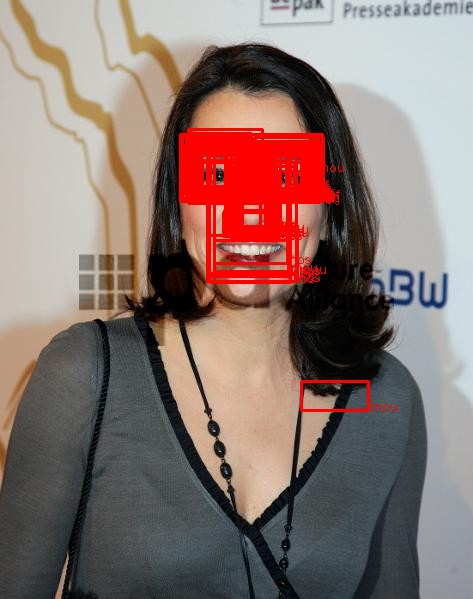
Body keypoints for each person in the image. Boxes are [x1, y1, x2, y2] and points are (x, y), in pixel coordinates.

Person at [0, 42, 427, 599]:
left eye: (285, 176)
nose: (251, 211)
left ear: (329, 211)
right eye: (219, 175)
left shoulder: (386, 400)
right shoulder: (83, 375)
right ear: (178, 206)